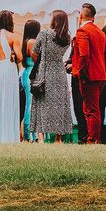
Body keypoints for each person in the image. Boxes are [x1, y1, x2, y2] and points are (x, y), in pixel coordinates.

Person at [30, 10, 74, 142]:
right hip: (60, 72)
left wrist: (41, 61)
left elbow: (34, 52)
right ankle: (58, 138)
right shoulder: (67, 38)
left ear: (54, 20)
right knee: (60, 104)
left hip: (45, 71)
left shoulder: (44, 34)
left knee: (41, 102)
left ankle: (41, 137)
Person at [71, 3, 106, 145]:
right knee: (94, 108)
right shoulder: (101, 32)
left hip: (88, 76)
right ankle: (94, 138)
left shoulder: (82, 31)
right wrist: (100, 68)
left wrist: (80, 72)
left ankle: (92, 139)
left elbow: (84, 55)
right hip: (100, 75)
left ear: (81, 16)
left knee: (90, 110)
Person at [0, 10, 23, 143]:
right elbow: (20, 57)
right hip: (8, 67)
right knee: (9, 100)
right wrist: (13, 53)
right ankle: (9, 135)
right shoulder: (13, 37)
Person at [19, 20, 40, 141]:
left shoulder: (25, 41)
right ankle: (30, 135)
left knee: (30, 104)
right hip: (31, 75)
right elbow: (37, 60)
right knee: (30, 104)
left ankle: (31, 133)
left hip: (27, 73)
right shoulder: (32, 42)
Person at [66, 40, 88, 144]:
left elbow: (84, 60)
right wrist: (67, 64)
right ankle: (82, 136)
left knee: (84, 110)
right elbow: (70, 60)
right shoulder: (74, 47)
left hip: (83, 81)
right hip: (75, 82)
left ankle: (85, 137)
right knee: (78, 110)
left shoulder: (85, 47)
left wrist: (72, 66)